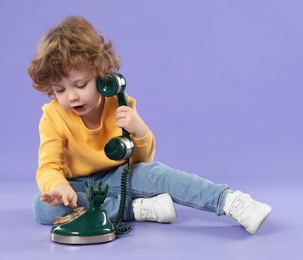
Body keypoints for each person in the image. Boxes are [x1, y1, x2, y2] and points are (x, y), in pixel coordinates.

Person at [28, 16, 271, 235]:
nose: (71, 97)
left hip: (116, 176)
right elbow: (48, 166)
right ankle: (136, 209)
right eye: (60, 90)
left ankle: (228, 200)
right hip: (76, 186)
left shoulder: (121, 104)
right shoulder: (53, 116)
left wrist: (140, 130)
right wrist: (58, 186)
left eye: (80, 85)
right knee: (44, 207)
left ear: (101, 76)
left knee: (157, 174)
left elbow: (142, 161)